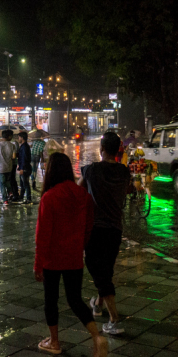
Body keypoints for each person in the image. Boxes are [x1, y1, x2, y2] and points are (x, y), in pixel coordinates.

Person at [34, 153, 107, 357]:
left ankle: (54, 342)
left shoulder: (49, 197)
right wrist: (79, 247)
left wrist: (38, 263)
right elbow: (88, 227)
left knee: (51, 300)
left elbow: (43, 235)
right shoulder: (83, 195)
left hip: (52, 259)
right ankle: (97, 336)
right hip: (74, 256)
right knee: (75, 299)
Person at [78, 132, 131, 335]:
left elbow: (78, 189)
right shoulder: (124, 172)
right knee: (106, 270)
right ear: (119, 149)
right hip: (115, 229)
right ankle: (98, 304)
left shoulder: (91, 170)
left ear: (101, 150)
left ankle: (114, 320)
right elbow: (127, 190)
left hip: (96, 228)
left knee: (96, 269)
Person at [0, 130, 16, 205]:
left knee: (2, 184)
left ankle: (5, 200)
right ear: (9, 137)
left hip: (0, 167)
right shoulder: (12, 145)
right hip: (9, 167)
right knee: (7, 181)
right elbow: (14, 157)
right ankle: (10, 192)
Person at [17, 132, 33, 204]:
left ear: (22, 138)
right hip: (25, 167)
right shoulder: (24, 146)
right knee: (23, 183)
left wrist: (22, 168)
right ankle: (22, 197)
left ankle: (28, 198)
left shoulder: (24, 147)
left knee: (25, 184)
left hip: (25, 168)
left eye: (19, 137)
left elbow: (24, 158)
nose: (18, 139)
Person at [7, 130, 20, 200]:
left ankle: (15, 193)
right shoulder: (11, 142)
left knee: (12, 178)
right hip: (9, 163)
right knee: (10, 179)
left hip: (13, 163)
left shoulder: (14, 143)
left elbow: (16, 153)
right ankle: (12, 193)